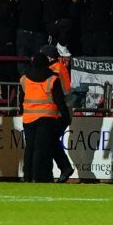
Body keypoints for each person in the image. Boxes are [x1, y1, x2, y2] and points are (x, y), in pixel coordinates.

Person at [19, 51, 70, 183]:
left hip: (28, 118)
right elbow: (59, 100)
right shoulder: (52, 79)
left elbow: (21, 98)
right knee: (41, 148)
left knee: (30, 148)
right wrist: (66, 116)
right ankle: (39, 176)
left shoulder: (24, 78)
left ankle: (27, 176)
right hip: (46, 117)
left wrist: (22, 111)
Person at [45, 45, 75, 183]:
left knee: (50, 139)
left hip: (61, 112)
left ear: (49, 57)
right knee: (51, 140)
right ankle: (63, 168)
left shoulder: (54, 69)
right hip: (64, 111)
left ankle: (64, 167)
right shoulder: (59, 67)